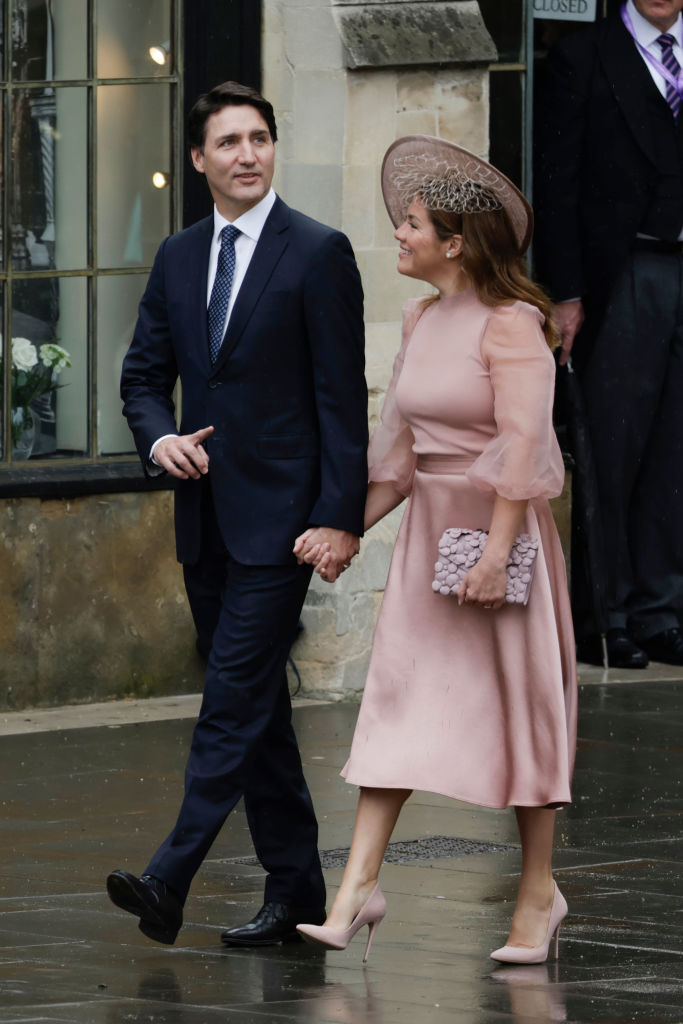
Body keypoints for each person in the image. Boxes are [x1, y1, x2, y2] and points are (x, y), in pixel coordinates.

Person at [294, 135, 578, 965]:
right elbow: (396, 458)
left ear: (454, 241)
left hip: (501, 539)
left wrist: (493, 555)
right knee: (395, 707)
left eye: (410, 223)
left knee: (521, 717)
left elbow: (523, 450)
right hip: (428, 546)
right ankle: (355, 892)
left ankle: (537, 896)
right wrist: (348, 528)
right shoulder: (421, 320)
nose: (399, 236)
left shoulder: (513, 324)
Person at [106, 81, 368, 947]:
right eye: (229, 143)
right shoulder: (179, 256)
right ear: (198, 160)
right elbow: (143, 378)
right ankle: (295, 890)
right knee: (258, 711)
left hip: (284, 527)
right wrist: (159, 442)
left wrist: (340, 518)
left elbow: (341, 403)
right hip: (203, 519)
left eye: (259, 138)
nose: (247, 154)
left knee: (228, 700)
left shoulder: (318, 252)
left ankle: (168, 878)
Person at [534, 0, 683, 668]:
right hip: (622, 274)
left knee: (674, 449)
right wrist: (564, 292)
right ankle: (607, 613)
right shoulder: (580, 55)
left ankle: (661, 609)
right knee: (614, 444)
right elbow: (556, 182)